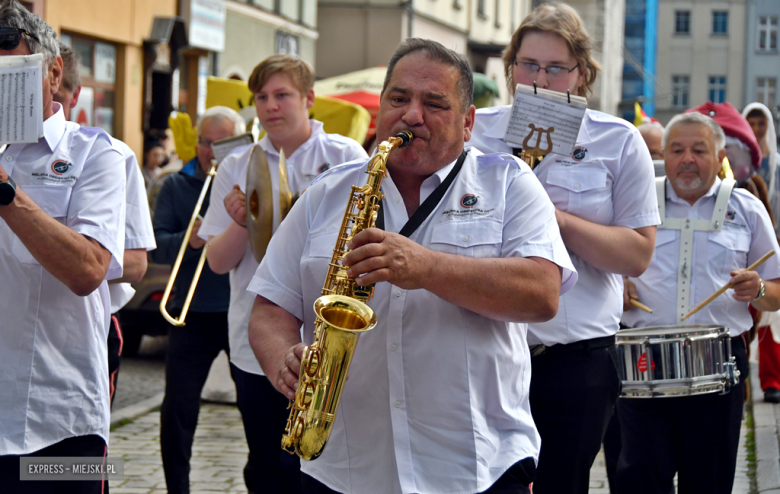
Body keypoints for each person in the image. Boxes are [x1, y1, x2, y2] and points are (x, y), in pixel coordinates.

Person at [247, 38, 577, 494]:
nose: (412, 116)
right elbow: (270, 307)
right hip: (344, 466)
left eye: (434, 103)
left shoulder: (510, 184)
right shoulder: (325, 194)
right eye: (398, 99)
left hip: (475, 466)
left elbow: (542, 293)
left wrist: (426, 267)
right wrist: (283, 356)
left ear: (467, 123)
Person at [467, 4, 658, 493]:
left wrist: (556, 220)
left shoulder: (618, 140)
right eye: (528, 65)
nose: (540, 79)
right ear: (510, 67)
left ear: (581, 75)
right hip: (481, 345)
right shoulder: (475, 132)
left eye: (556, 68)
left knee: (560, 483)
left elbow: (637, 253)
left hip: (574, 356)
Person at [198, 54, 367, 492]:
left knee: (319, 460)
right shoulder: (237, 164)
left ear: (309, 99)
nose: (270, 106)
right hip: (255, 339)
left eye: (282, 95)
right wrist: (239, 220)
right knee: (266, 461)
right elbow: (216, 262)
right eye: (261, 97)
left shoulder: (345, 156)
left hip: (323, 336)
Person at [617, 111, 780, 493]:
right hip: (642, 363)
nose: (687, 159)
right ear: (663, 157)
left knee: (709, 479)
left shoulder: (746, 209)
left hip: (719, 365)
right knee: (640, 478)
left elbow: (776, 291)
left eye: (699, 150)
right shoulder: (631, 205)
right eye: (677, 150)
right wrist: (617, 285)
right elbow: (598, 267)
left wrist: (758, 289)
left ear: (719, 154)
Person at [0, 1, 126, 492]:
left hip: (58, 419)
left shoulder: (99, 153)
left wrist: (6, 191)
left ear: (53, 72)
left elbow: (89, 270)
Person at [54, 41, 156, 408]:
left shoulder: (108, 154)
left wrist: (49, 254)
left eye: (59, 98)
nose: (49, 108)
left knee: (70, 465)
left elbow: (136, 264)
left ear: (76, 95)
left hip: (84, 331)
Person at [151, 106, 245, 494]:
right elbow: (155, 246)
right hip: (189, 313)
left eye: (223, 144)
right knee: (177, 410)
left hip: (240, 313)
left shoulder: (252, 181)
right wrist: (187, 241)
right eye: (206, 142)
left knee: (258, 410)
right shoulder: (176, 186)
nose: (212, 152)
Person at [744, 102, 780, 403]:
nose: (756, 130)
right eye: (750, 124)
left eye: (761, 124)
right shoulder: (740, 165)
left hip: (775, 246)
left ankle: (771, 380)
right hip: (744, 250)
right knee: (744, 315)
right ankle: (741, 376)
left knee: (771, 313)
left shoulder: (777, 166)